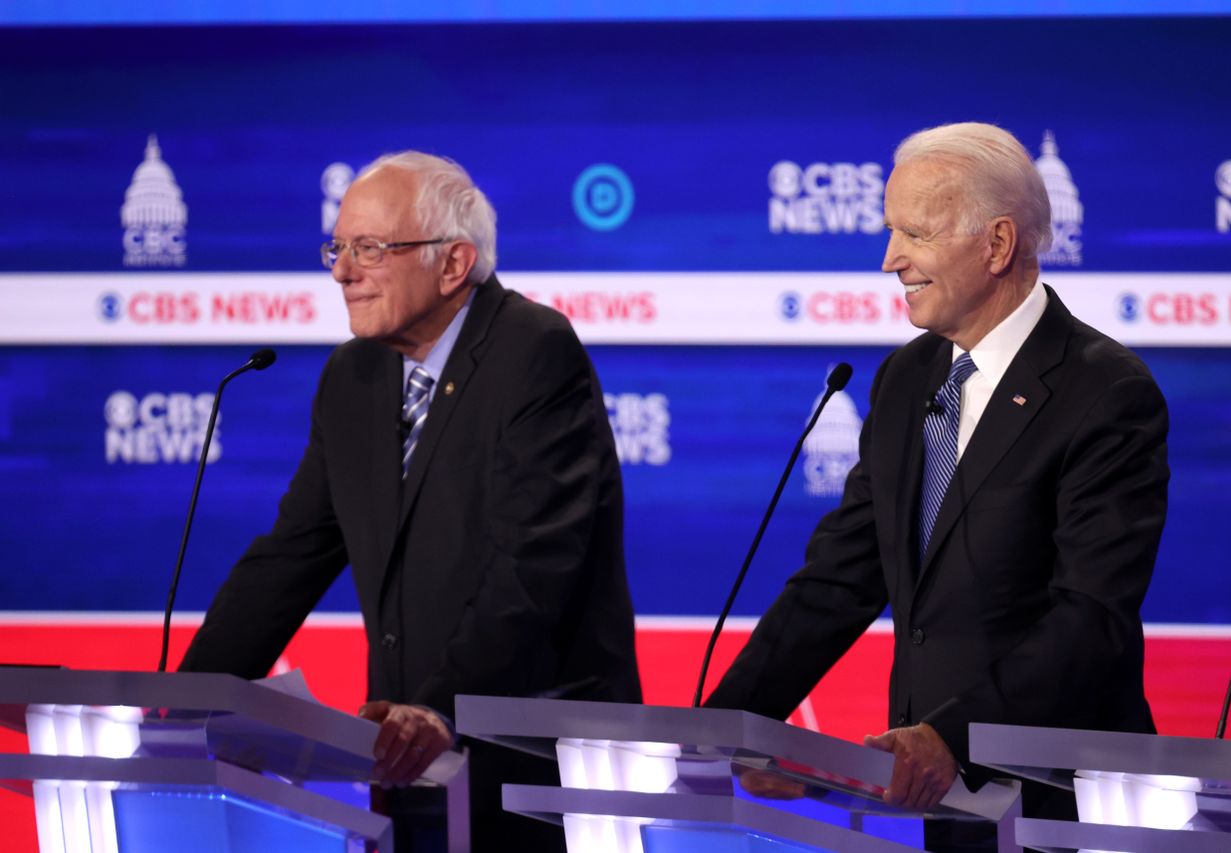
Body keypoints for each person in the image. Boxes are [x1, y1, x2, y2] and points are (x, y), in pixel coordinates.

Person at [706, 122, 1169, 850]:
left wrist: (949, 736)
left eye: (914, 234)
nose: (890, 259)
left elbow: (1091, 617)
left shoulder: (1104, 390)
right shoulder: (906, 379)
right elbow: (840, 577)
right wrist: (729, 722)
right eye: (893, 232)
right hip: (937, 804)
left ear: (997, 244)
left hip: (1062, 803)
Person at [180, 151, 642, 852]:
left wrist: (438, 705)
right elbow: (290, 557)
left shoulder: (534, 351)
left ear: (453, 264)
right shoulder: (353, 375)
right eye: (337, 247)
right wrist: (184, 701)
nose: (341, 270)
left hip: (539, 772)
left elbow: (534, 564)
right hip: (409, 765)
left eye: (369, 248)